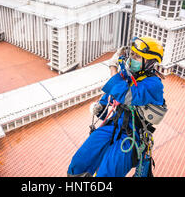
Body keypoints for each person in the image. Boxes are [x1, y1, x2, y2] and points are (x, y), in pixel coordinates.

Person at [67, 36, 166, 177]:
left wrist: (113, 68)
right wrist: (101, 105)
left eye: (138, 57)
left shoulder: (154, 84)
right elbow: (112, 94)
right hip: (113, 124)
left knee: (106, 173)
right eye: (132, 54)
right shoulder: (129, 74)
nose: (132, 59)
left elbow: (126, 95)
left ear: (149, 62)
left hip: (132, 135)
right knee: (79, 162)